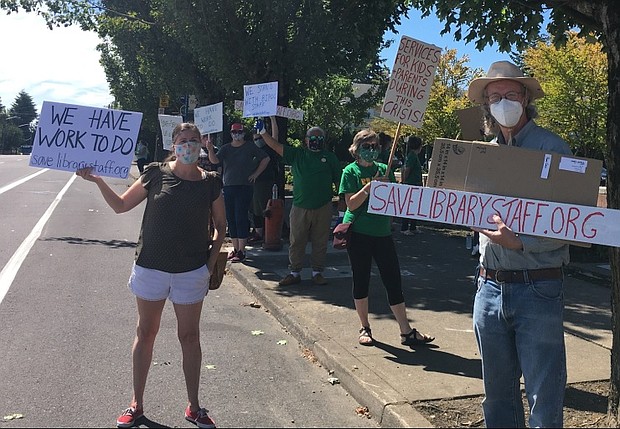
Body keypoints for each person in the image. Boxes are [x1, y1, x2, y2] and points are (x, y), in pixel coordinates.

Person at [76, 122, 226, 429]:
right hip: (150, 268)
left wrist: (209, 265)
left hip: (190, 272)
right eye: (183, 141)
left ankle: (194, 407)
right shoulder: (157, 173)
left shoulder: (211, 181)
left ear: (202, 145)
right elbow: (120, 206)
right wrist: (97, 180)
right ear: (174, 145)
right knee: (146, 333)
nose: (189, 146)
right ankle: (137, 404)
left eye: (194, 141)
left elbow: (222, 227)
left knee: (190, 337)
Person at [468, 60, 572, 428]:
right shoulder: (481, 154)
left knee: (544, 397)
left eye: (511, 94)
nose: (503, 101)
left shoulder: (554, 148)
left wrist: (521, 242)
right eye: (495, 96)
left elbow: (573, 224)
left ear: (525, 97)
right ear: (486, 105)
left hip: (538, 286)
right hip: (488, 287)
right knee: (496, 397)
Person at [338, 129, 435, 347]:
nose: (372, 150)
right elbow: (350, 204)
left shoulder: (385, 169)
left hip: (382, 234)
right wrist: (369, 187)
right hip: (359, 233)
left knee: (393, 280)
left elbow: (393, 201)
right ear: (357, 148)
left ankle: (406, 330)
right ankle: (365, 327)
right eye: (367, 146)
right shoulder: (350, 172)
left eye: (375, 146)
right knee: (361, 279)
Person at [257, 122, 341, 286]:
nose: (316, 140)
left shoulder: (330, 158)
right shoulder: (297, 154)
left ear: (323, 140)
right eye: (312, 137)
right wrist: (262, 132)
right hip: (300, 206)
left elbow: (339, 182)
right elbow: (275, 146)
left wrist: (342, 208)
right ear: (306, 140)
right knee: (296, 241)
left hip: (323, 206)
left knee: (321, 241)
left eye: (319, 138)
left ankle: (317, 272)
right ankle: (294, 272)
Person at [206, 122, 270, 263]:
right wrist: (210, 149)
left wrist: (256, 174)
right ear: (231, 134)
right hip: (229, 186)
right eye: (234, 132)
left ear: (243, 133)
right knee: (231, 218)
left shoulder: (249, 146)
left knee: (241, 216)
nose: (237, 135)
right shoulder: (226, 148)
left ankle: (242, 250)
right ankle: (235, 249)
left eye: (239, 132)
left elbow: (266, 158)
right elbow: (215, 160)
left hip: (244, 186)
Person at [248, 116, 281, 245]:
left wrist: (272, 119)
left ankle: (269, 233)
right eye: (255, 139)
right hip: (253, 184)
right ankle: (258, 232)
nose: (258, 140)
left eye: (260, 138)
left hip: (266, 182)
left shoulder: (269, 149)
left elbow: (275, 136)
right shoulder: (252, 150)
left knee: (266, 209)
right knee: (254, 209)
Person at [400, 135, 423, 235]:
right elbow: (407, 169)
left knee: (414, 207)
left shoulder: (413, 155)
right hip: (411, 184)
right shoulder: (412, 156)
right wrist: (404, 181)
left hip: (416, 184)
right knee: (409, 206)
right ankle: (404, 228)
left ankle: (413, 226)